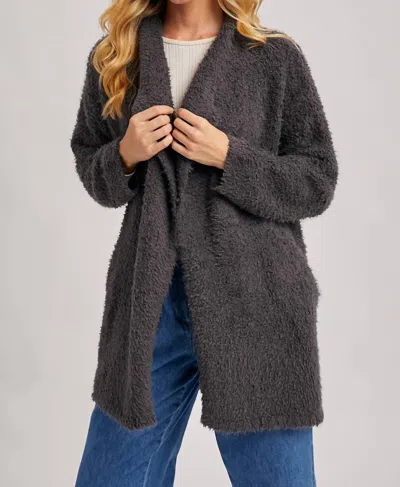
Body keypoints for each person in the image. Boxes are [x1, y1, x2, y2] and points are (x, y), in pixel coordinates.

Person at [71, 0, 338, 485]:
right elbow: (93, 169)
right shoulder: (117, 55)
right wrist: (125, 154)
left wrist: (231, 156)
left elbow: (317, 180)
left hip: (255, 302)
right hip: (150, 307)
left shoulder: (274, 57)